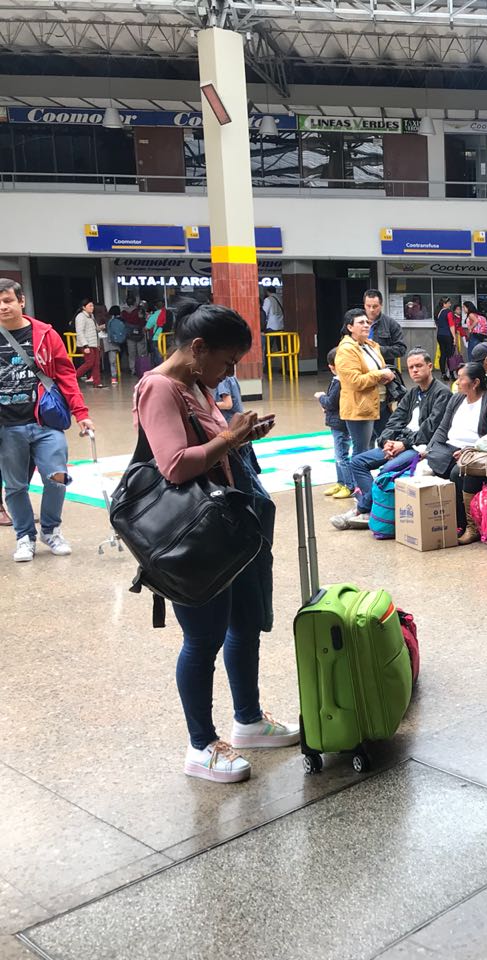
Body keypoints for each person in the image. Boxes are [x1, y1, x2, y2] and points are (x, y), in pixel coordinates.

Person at [133, 299, 297, 783]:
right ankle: (201, 744)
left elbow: (212, 451)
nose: (229, 372)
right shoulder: (160, 388)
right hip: (193, 539)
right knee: (203, 638)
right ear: (197, 348)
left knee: (244, 623)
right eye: (227, 362)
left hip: (228, 527)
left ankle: (247, 719)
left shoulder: (196, 384)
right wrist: (231, 438)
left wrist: (242, 435)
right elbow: (176, 464)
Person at [0, 279, 93, 562]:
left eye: (8, 301)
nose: (3, 307)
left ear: (21, 302)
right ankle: (24, 536)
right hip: (7, 427)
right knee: (15, 486)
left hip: (45, 420)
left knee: (57, 478)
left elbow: (65, 374)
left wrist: (82, 414)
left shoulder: (44, 334)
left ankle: (51, 530)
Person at [333, 348, 450, 531]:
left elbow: (431, 427)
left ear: (429, 366)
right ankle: (373, 508)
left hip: (420, 447)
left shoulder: (442, 393)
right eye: (411, 367)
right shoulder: (412, 394)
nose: (414, 370)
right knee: (357, 462)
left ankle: (361, 509)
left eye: (419, 366)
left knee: (387, 469)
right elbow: (395, 420)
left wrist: (404, 444)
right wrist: (385, 442)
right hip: (400, 443)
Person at [424, 361, 487, 545]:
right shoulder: (457, 398)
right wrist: (430, 448)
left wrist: (471, 450)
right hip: (449, 448)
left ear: (475, 383)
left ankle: (465, 524)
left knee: (455, 473)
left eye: (461, 378)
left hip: (475, 452)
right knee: (426, 462)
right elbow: (443, 428)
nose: (457, 382)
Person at [334, 308, 396, 461]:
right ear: (350, 327)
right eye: (361, 323)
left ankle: (381, 480)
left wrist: (386, 374)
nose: (366, 325)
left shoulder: (370, 345)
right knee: (362, 450)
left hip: (381, 403)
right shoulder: (346, 350)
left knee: (387, 444)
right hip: (360, 407)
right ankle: (358, 485)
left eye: (367, 322)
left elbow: (378, 369)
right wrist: (380, 374)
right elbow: (354, 381)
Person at [315, 348, 354, 500]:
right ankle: (341, 482)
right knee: (338, 455)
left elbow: (331, 402)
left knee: (342, 456)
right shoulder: (338, 380)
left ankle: (349, 485)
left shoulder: (340, 381)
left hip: (340, 423)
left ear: (332, 366)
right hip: (337, 422)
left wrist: (321, 397)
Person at [363, 289, 406, 365]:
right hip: (359, 368)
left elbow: (401, 349)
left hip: (383, 369)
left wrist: (378, 350)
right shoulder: (354, 322)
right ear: (364, 305)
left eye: (375, 306)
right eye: (368, 306)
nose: (371, 310)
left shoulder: (391, 324)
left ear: (381, 305)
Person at [73, 297, 105, 389]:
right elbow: (80, 332)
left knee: (96, 363)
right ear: (84, 307)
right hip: (86, 344)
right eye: (90, 306)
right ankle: (73, 378)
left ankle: (97, 383)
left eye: (92, 306)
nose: (92, 307)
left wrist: (103, 327)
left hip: (94, 344)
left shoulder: (91, 316)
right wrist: (85, 345)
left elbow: (95, 330)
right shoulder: (80, 317)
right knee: (89, 363)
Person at [434, 297, 457, 379]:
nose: (450, 304)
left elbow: (437, 324)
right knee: (450, 355)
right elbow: (451, 325)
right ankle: (451, 374)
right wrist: (454, 337)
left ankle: (443, 373)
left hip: (440, 335)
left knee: (443, 354)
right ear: (444, 304)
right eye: (449, 303)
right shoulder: (449, 312)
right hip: (448, 335)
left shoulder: (438, 312)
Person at [104, 305, 124, 385]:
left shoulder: (110, 321)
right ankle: (116, 374)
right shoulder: (121, 320)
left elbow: (107, 330)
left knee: (112, 361)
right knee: (116, 360)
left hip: (111, 343)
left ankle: (114, 377)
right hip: (119, 342)